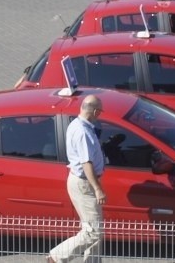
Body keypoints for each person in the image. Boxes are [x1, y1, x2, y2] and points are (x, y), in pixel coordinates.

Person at [47, 95, 106, 263]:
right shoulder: (83, 132)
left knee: (93, 228)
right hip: (85, 184)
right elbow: (86, 163)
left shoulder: (76, 124)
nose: (100, 114)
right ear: (94, 111)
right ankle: (57, 256)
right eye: (100, 111)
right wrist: (97, 188)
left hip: (81, 181)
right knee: (93, 231)